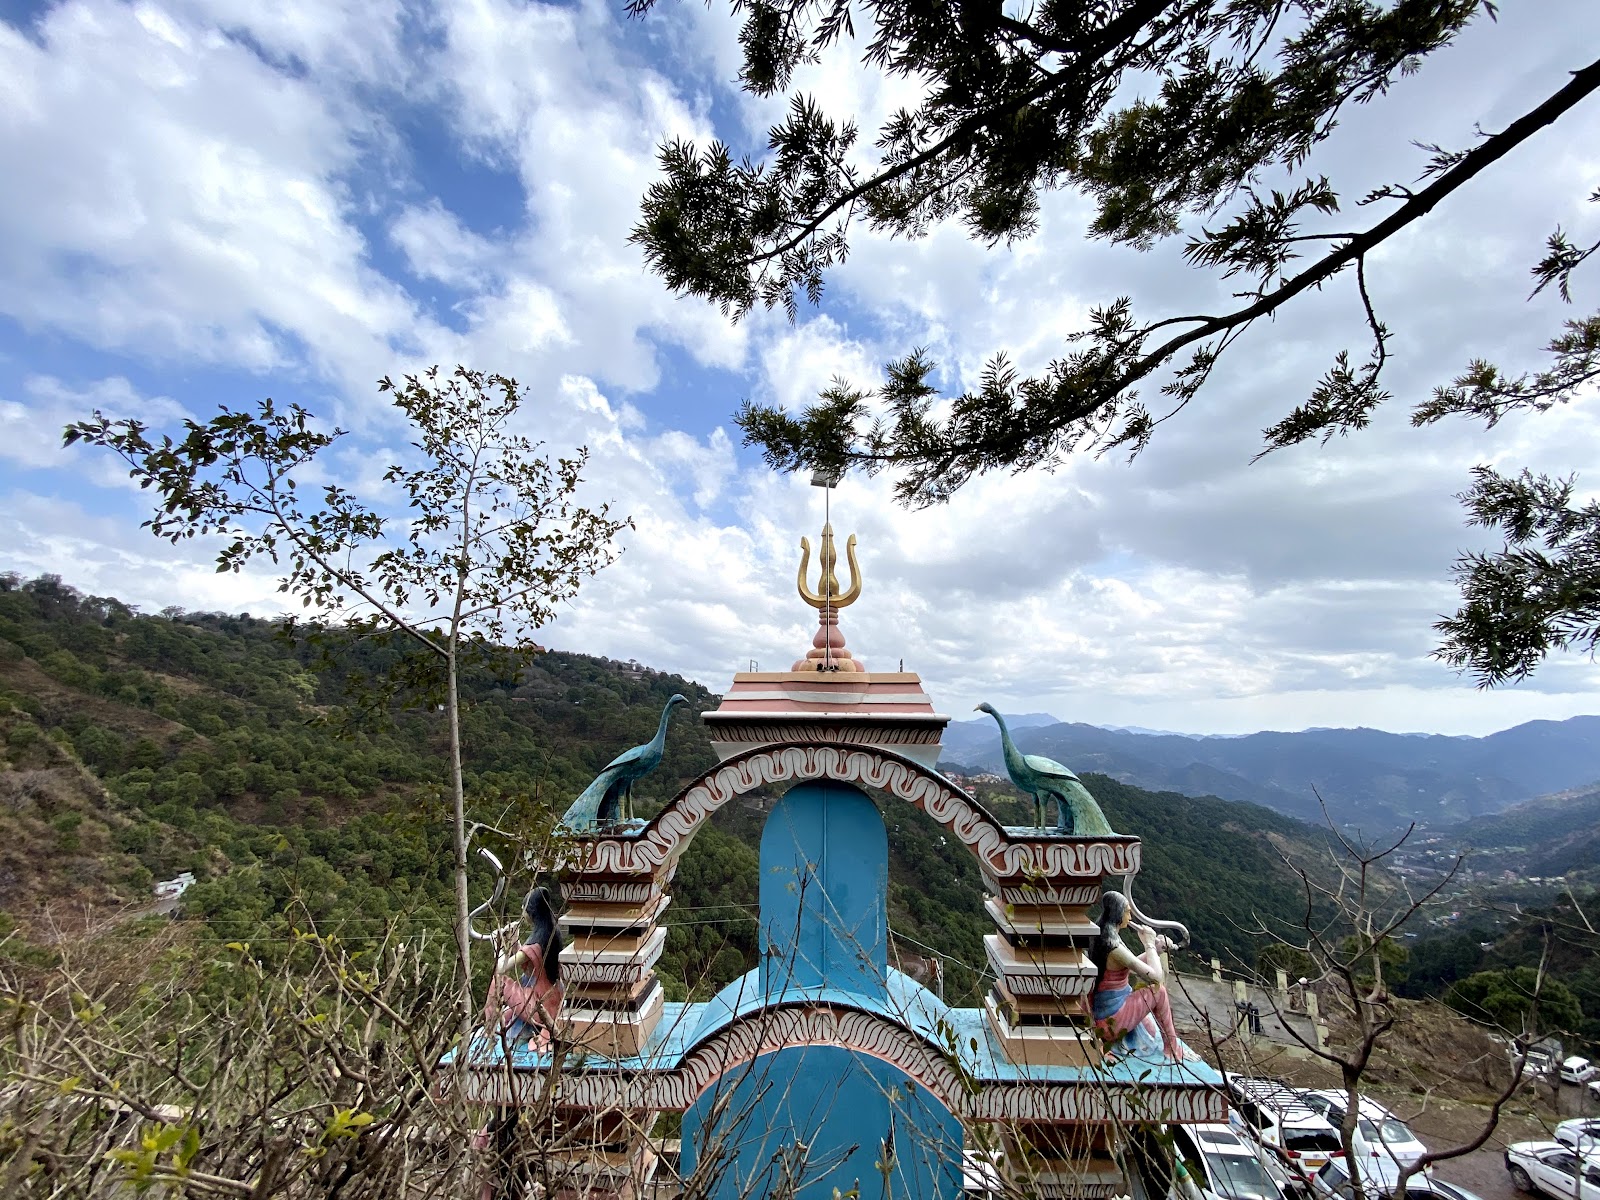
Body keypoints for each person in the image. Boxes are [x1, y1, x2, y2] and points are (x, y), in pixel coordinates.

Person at [1089, 891, 1193, 1062]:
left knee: (1151, 1030)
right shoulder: (1113, 945)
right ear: (1118, 913)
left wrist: (1156, 950)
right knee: (1159, 992)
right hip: (1111, 1019)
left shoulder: (1104, 935)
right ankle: (1173, 1049)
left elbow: (1130, 965)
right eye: (1127, 911)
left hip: (1108, 1010)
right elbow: (1155, 978)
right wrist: (1149, 944)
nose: (1130, 916)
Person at [483, 886, 564, 1053]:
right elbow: (530, 964)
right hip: (554, 996)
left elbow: (500, 968)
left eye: (524, 909)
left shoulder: (538, 940)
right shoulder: (551, 932)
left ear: (532, 911)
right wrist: (514, 942)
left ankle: (488, 1031)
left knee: (497, 982)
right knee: (507, 1015)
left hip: (539, 1002)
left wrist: (497, 946)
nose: (522, 912)